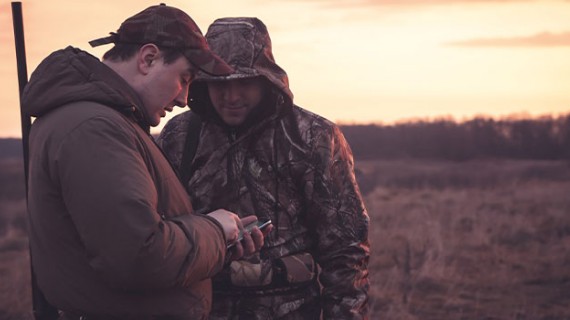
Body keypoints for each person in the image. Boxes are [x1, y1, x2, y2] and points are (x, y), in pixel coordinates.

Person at [21, 5, 265, 319]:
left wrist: (219, 248)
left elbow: (125, 239)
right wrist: (215, 230)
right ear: (148, 58)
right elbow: (141, 256)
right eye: (184, 78)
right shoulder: (94, 129)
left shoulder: (103, 120)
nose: (182, 99)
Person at [158, 17, 370, 319]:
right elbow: (158, 233)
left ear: (266, 79)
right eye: (219, 84)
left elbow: (346, 250)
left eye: (243, 82)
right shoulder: (179, 136)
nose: (231, 97)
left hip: (292, 310)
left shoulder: (313, 136)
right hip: (199, 309)